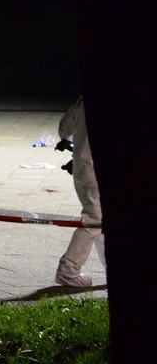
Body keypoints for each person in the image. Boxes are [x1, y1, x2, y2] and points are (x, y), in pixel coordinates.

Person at [55, 96, 105, 288]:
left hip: (82, 171)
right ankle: (68, 272)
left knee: (101, 221)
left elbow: (64, 129)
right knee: (94, 222)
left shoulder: (83, 101)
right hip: (95, 175)